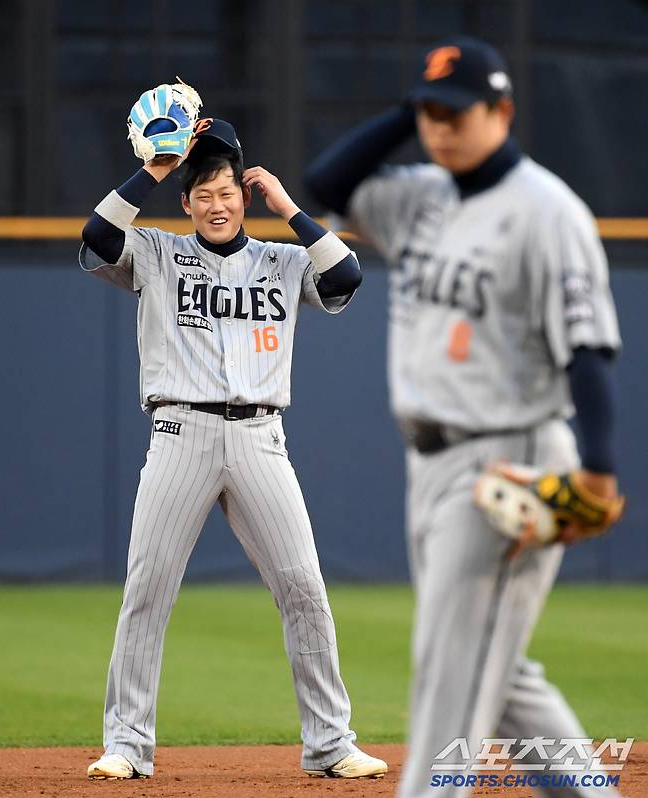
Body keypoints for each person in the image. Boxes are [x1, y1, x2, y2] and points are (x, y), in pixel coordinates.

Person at [305, 36, 624, 798]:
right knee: (495, 668)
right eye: (429, 112)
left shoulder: (548, 213)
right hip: (431, 461)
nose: (440, 127)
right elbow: (326, 181)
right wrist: (408, 112)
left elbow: (588, 347)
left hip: (508, 459)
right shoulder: (422, 193)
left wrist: (600, 470)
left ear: (502, 111)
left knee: (448, 671)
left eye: (456, 111)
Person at [79, 115, 387, 781]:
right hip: (180, 433)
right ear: (187, 204)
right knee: (148, 588)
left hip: (259, 440)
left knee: (304, 587)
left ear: (243, 198)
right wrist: (156, 170)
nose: (217, 205)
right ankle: (127, 746)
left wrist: (290, 208)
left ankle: (331, 745)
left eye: (227, 192)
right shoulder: (157, 254)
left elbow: (347, 276)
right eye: (203, 194)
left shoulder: (281, 262)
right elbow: (99, 238)